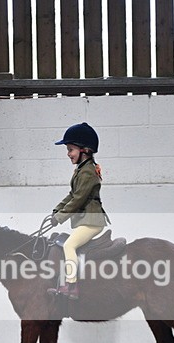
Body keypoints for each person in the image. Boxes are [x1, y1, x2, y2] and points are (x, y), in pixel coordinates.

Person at [47, 122, 109, 300]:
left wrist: (59, 218)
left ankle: (71, 286)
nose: (68, 154)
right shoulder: (80, 170)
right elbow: (71, 195)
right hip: (86, 220)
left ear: (85, 150)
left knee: (69, 245)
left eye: (71, 149)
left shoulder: (88, 172)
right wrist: (56, 210)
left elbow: (78, 199)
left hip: (93, 221)